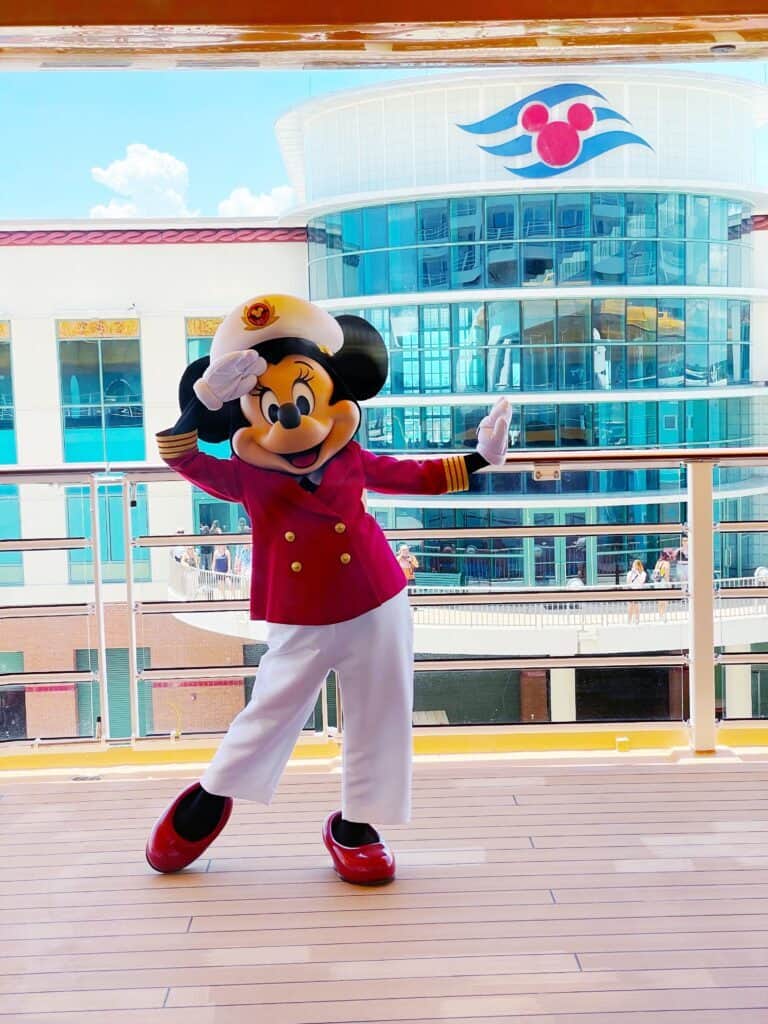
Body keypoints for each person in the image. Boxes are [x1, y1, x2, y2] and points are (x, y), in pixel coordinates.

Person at [145, 292, 513, 886]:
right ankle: (210, 798)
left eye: (302, 397)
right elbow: (180, 458)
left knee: (381, 710)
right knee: (270, 710)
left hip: (376, 599)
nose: (290, 416)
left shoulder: (351, 458)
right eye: (271, 405)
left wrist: (479, 460)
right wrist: (202, 402)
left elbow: (413, 475)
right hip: (299, 614)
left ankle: (356, 825)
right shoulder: (243, 473)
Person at [626, 558, 647, 624]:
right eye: (633, 565)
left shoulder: (643, 573)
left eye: (635, 565)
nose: (633, 567)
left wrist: (637, 573)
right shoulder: (629, 573)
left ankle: (637, 620)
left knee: (637, 606)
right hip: (631, 590)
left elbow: (642, 581)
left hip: (638, 590)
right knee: (630, 606)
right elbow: (628, 582)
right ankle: (629, 620)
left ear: (638, 566)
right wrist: (632, 573)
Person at [651, 555, 671, 620]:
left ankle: (660, 615)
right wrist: (668, 584)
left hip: (657, 583)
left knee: (660, 600)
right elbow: (665, 575)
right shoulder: (666, 564)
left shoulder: (658, 563)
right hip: (662, 583)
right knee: (665, 600)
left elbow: (656, 573)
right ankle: (664, 615)